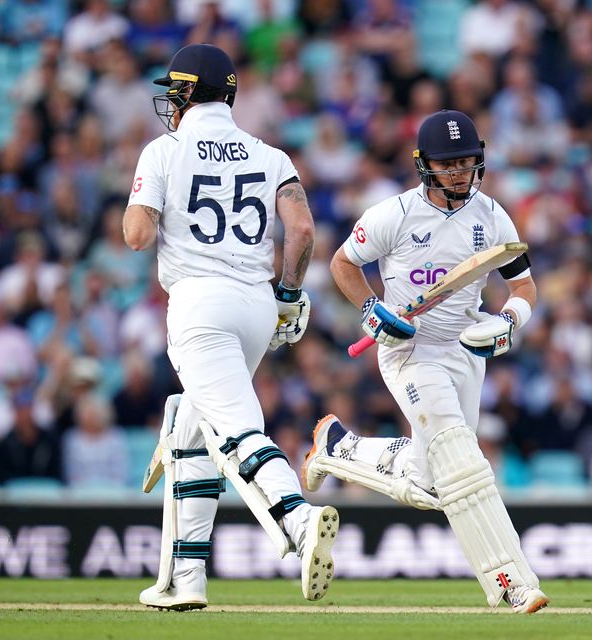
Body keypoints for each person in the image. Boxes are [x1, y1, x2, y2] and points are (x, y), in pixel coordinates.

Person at [303, 110, 547, 613]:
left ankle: (338, 449)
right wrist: (373, 309)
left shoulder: (492, 215)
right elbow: (343, 264)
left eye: (467, 162)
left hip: (465, 350)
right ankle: (509, 581)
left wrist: (508, 322)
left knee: (430, 479)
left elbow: (522, 284)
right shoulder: (392, 214)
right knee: (463, 462)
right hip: (410, 349)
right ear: (424, 166)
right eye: (448, 164)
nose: (460, 173)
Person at [123, 44, 338, 610]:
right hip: (258, 306)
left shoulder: (163, 150)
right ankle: (185, 578)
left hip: (199, 304)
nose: (169, 101)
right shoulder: (270, 155)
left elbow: (137, 237)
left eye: (175, 91)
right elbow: (302, 231)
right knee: (193, 429)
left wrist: (142, 200)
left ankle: (298, 520)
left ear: (190, 93)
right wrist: (289, 295)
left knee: (236, 431)